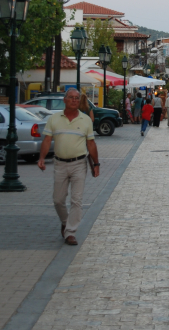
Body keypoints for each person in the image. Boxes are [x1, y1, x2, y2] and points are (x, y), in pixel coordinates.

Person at [37, 88, 99, 246]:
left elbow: (91, 143)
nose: (74, 100)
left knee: (76, 200)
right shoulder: (54, 119)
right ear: (64, 100)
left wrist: (96, 164)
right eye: (71, 97)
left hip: (79, 163)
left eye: (77, 98)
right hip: (60, 163)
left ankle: (70, 232)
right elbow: (46, 140)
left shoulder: (85, 120)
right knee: (58, 200)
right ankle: (66, 221)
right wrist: (42, 158)